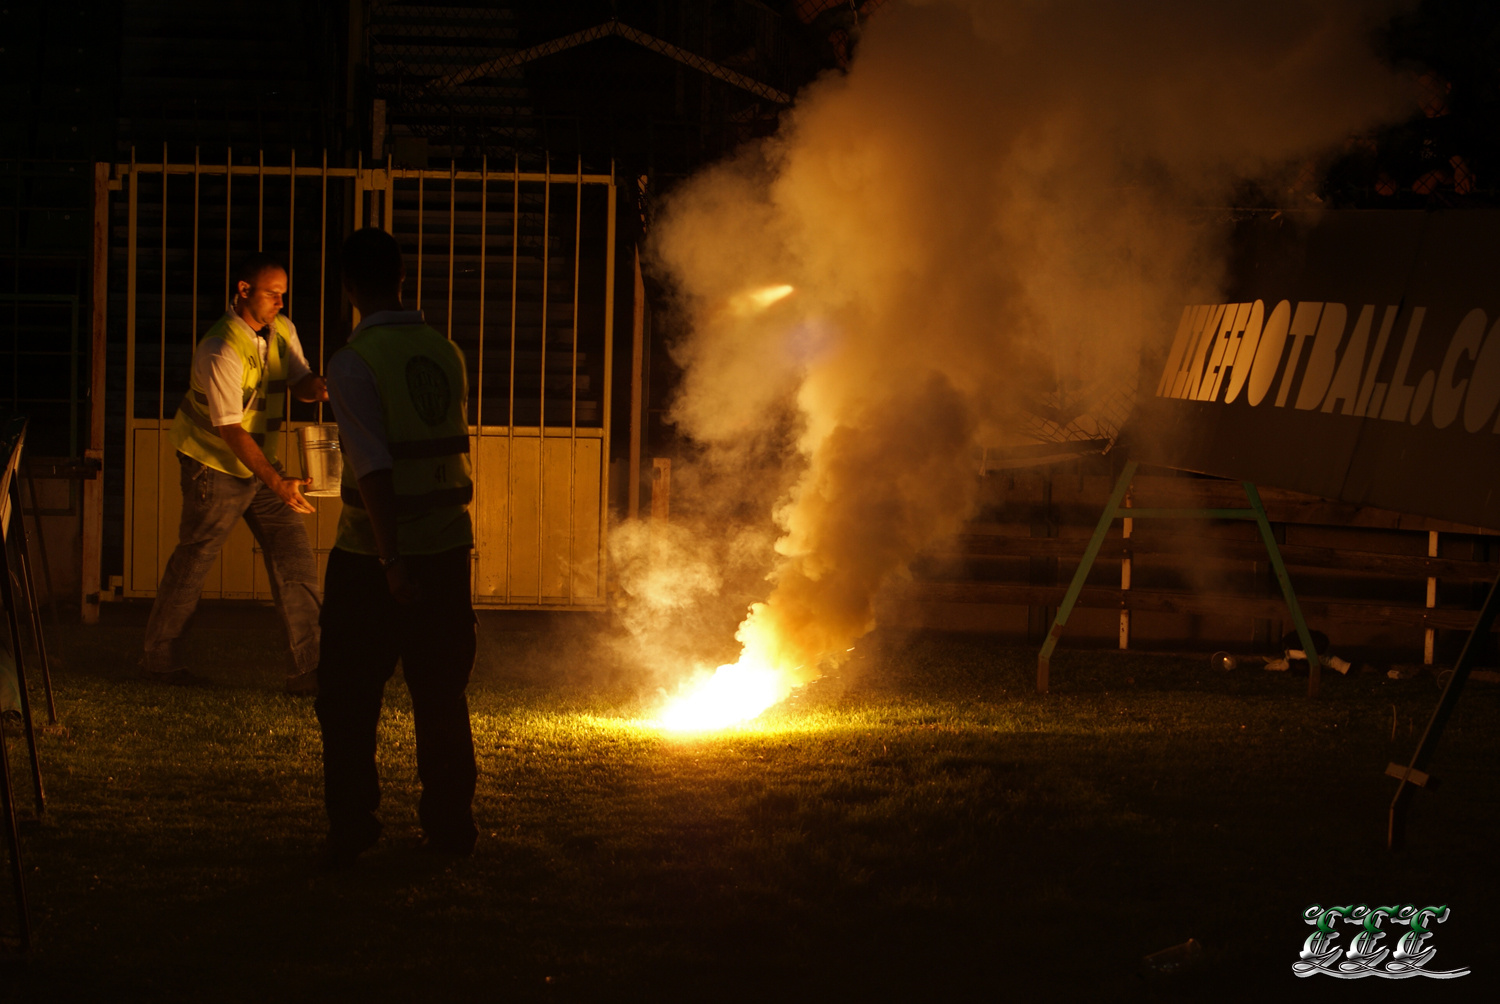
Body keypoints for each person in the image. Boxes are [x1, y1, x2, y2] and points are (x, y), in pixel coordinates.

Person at [315, 227, 477, 866]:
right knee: (440, 696)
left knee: (348, 700)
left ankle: (354, 827)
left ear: (349, 287)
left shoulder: (354, 362)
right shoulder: (443, 351)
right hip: (447, 546)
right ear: (403, 277)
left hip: (372, 557)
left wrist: (389, 562)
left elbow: (374, 466)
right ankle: (450, 830)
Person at [143, 253, 328, 693]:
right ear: (243, 291)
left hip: (259, 466)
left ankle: (309, 669)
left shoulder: (282, 330)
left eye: (283, 293)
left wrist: (319, 387)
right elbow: (230, 429)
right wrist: (277, 481)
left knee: (295, 559)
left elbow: (298, 380)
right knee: (195, 560)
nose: (280, 302)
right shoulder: (220, 348)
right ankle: (159, 661)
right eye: (271, 293)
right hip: (214, 465)